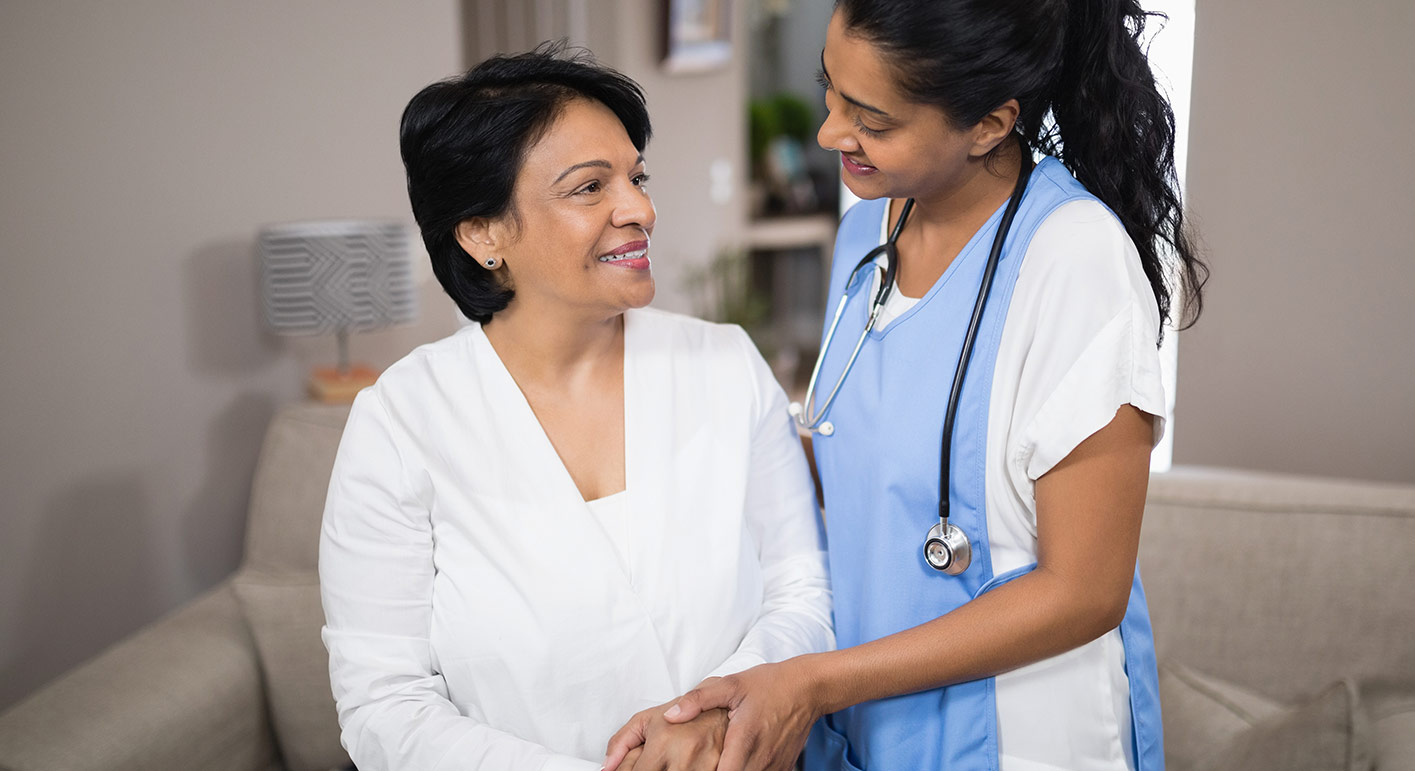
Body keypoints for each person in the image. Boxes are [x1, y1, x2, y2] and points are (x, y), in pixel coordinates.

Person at [603, 1, 1208, 770]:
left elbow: (1085, 590)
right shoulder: (868, 230)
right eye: (832, 92)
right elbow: (858, 462)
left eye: (871, 119)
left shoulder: (1074, 260)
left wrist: (813, 682)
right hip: (869, 722)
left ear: (989, 123)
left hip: (1021, 735)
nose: (829, 133)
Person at [317, 44, 834, 771]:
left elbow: (802, 589)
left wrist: (720, 713)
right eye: (590, 187)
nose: (641, 209)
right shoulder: (402, 423)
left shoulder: (724, 366)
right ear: (483, 233)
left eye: (636, 176)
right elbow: (385, 706)